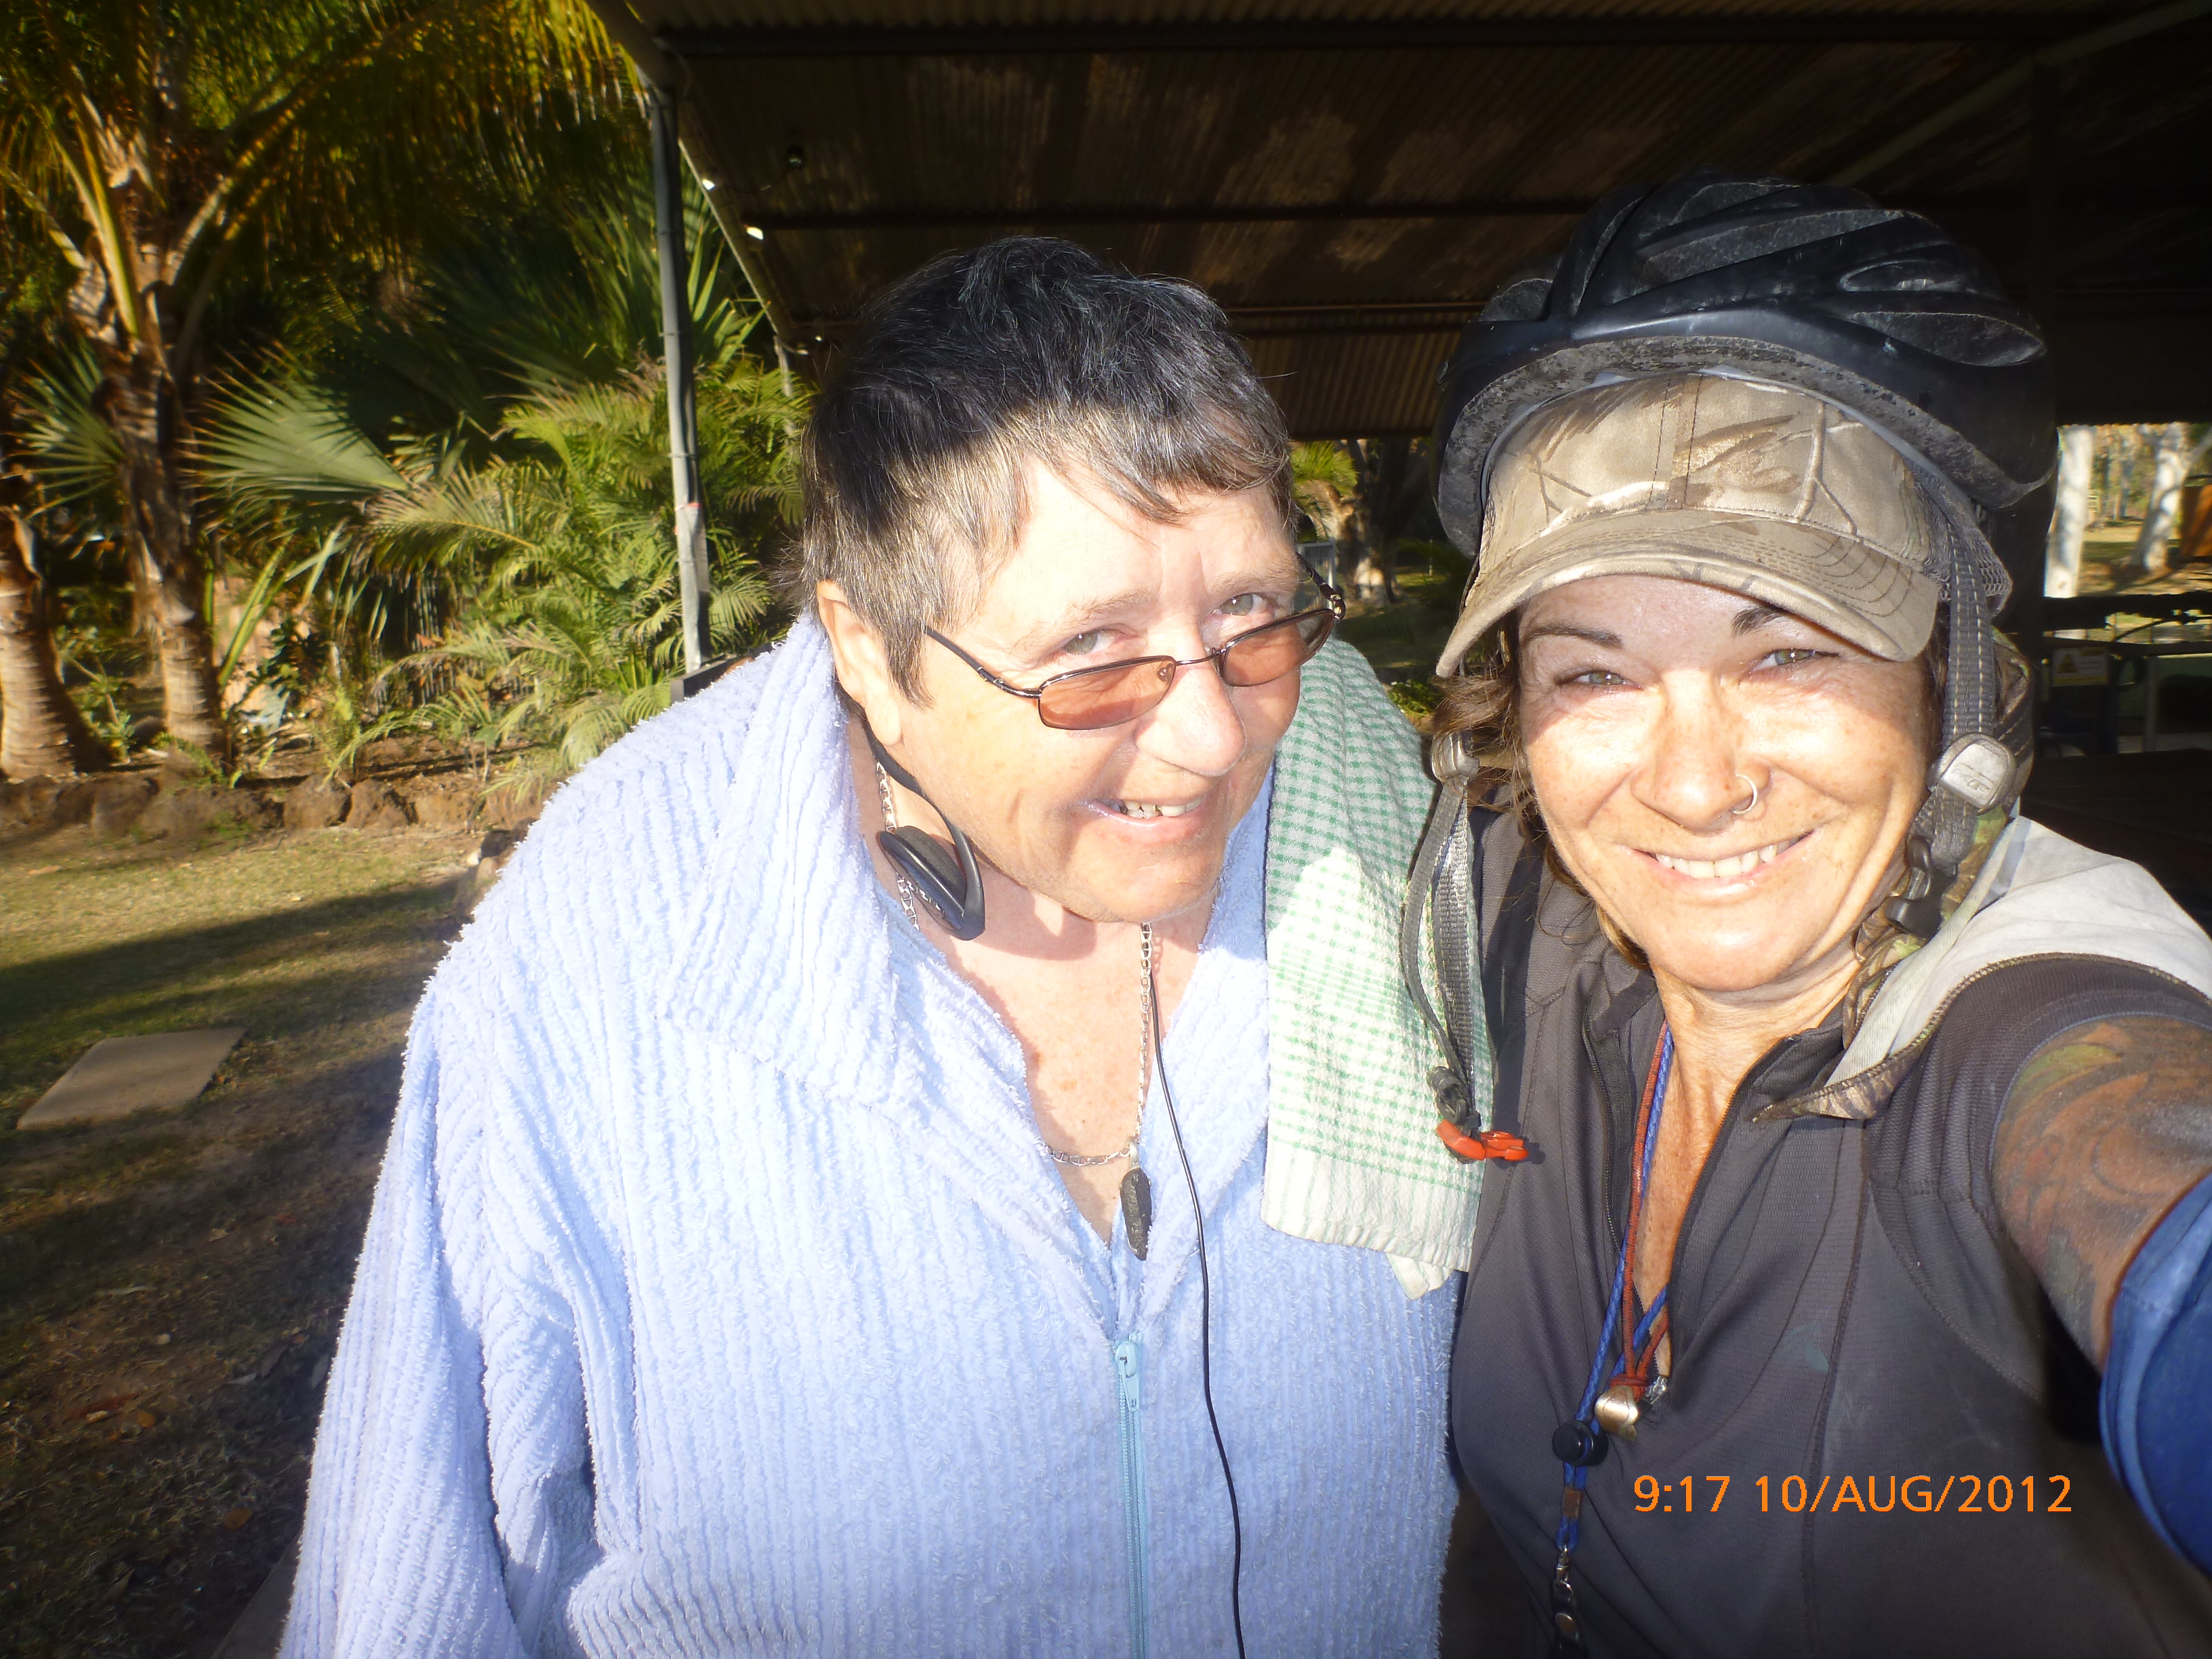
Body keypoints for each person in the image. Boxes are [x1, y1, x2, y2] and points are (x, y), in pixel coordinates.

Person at [281, 238, 1481, 1658]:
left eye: (1252, 613)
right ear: (865, 646)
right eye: (1094, 654)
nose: (1218, 735)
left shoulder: (1377, 825)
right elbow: (417, 1570)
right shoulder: (604, 944)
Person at [1406, 169, 2212, 1656]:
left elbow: (2134, 1135)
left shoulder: (2031, 1017)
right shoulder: (1535, 924)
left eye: (1789, 655)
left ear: (1952, 683)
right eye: (1592, 672)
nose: (1693, 785)